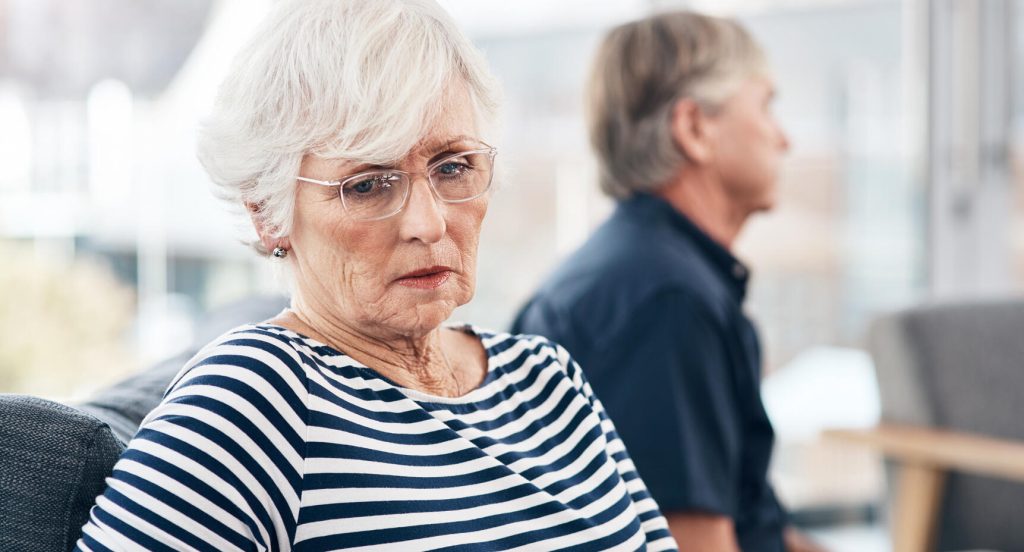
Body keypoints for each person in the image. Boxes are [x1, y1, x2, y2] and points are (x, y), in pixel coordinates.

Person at [74, 1, 676, 550]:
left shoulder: (548, 379)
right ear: (268, 214)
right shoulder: (254, 398)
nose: (430, 223)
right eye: (367, 184)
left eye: (453, 166)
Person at [512, 11, 824, 552]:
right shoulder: (668, 303)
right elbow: (695, 542)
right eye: (766, 106)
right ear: (694, 128)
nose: (785, 139)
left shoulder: (645, 274)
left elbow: (754, 521)